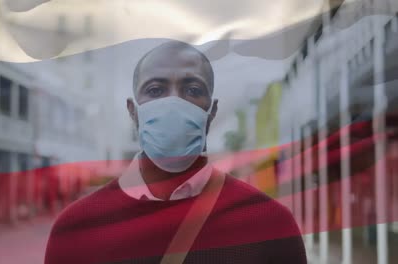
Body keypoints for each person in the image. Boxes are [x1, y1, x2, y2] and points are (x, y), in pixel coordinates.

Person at [45, 41, 307, 264]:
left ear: (212, 111)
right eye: (155, 90)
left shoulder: (270, 224)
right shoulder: (75, 228)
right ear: (133, 110)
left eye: (193, 90)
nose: (173, 103)